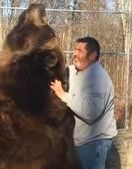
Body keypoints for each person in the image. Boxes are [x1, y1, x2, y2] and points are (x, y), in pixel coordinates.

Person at [50, 36, 118, 169]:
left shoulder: (98, 78)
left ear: (92, 55)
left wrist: (63, 95)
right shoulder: (76, 71)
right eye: (74, 50)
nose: (74, 54)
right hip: (81, 142)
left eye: (79, 51)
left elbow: (91, 112)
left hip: (94, 144)